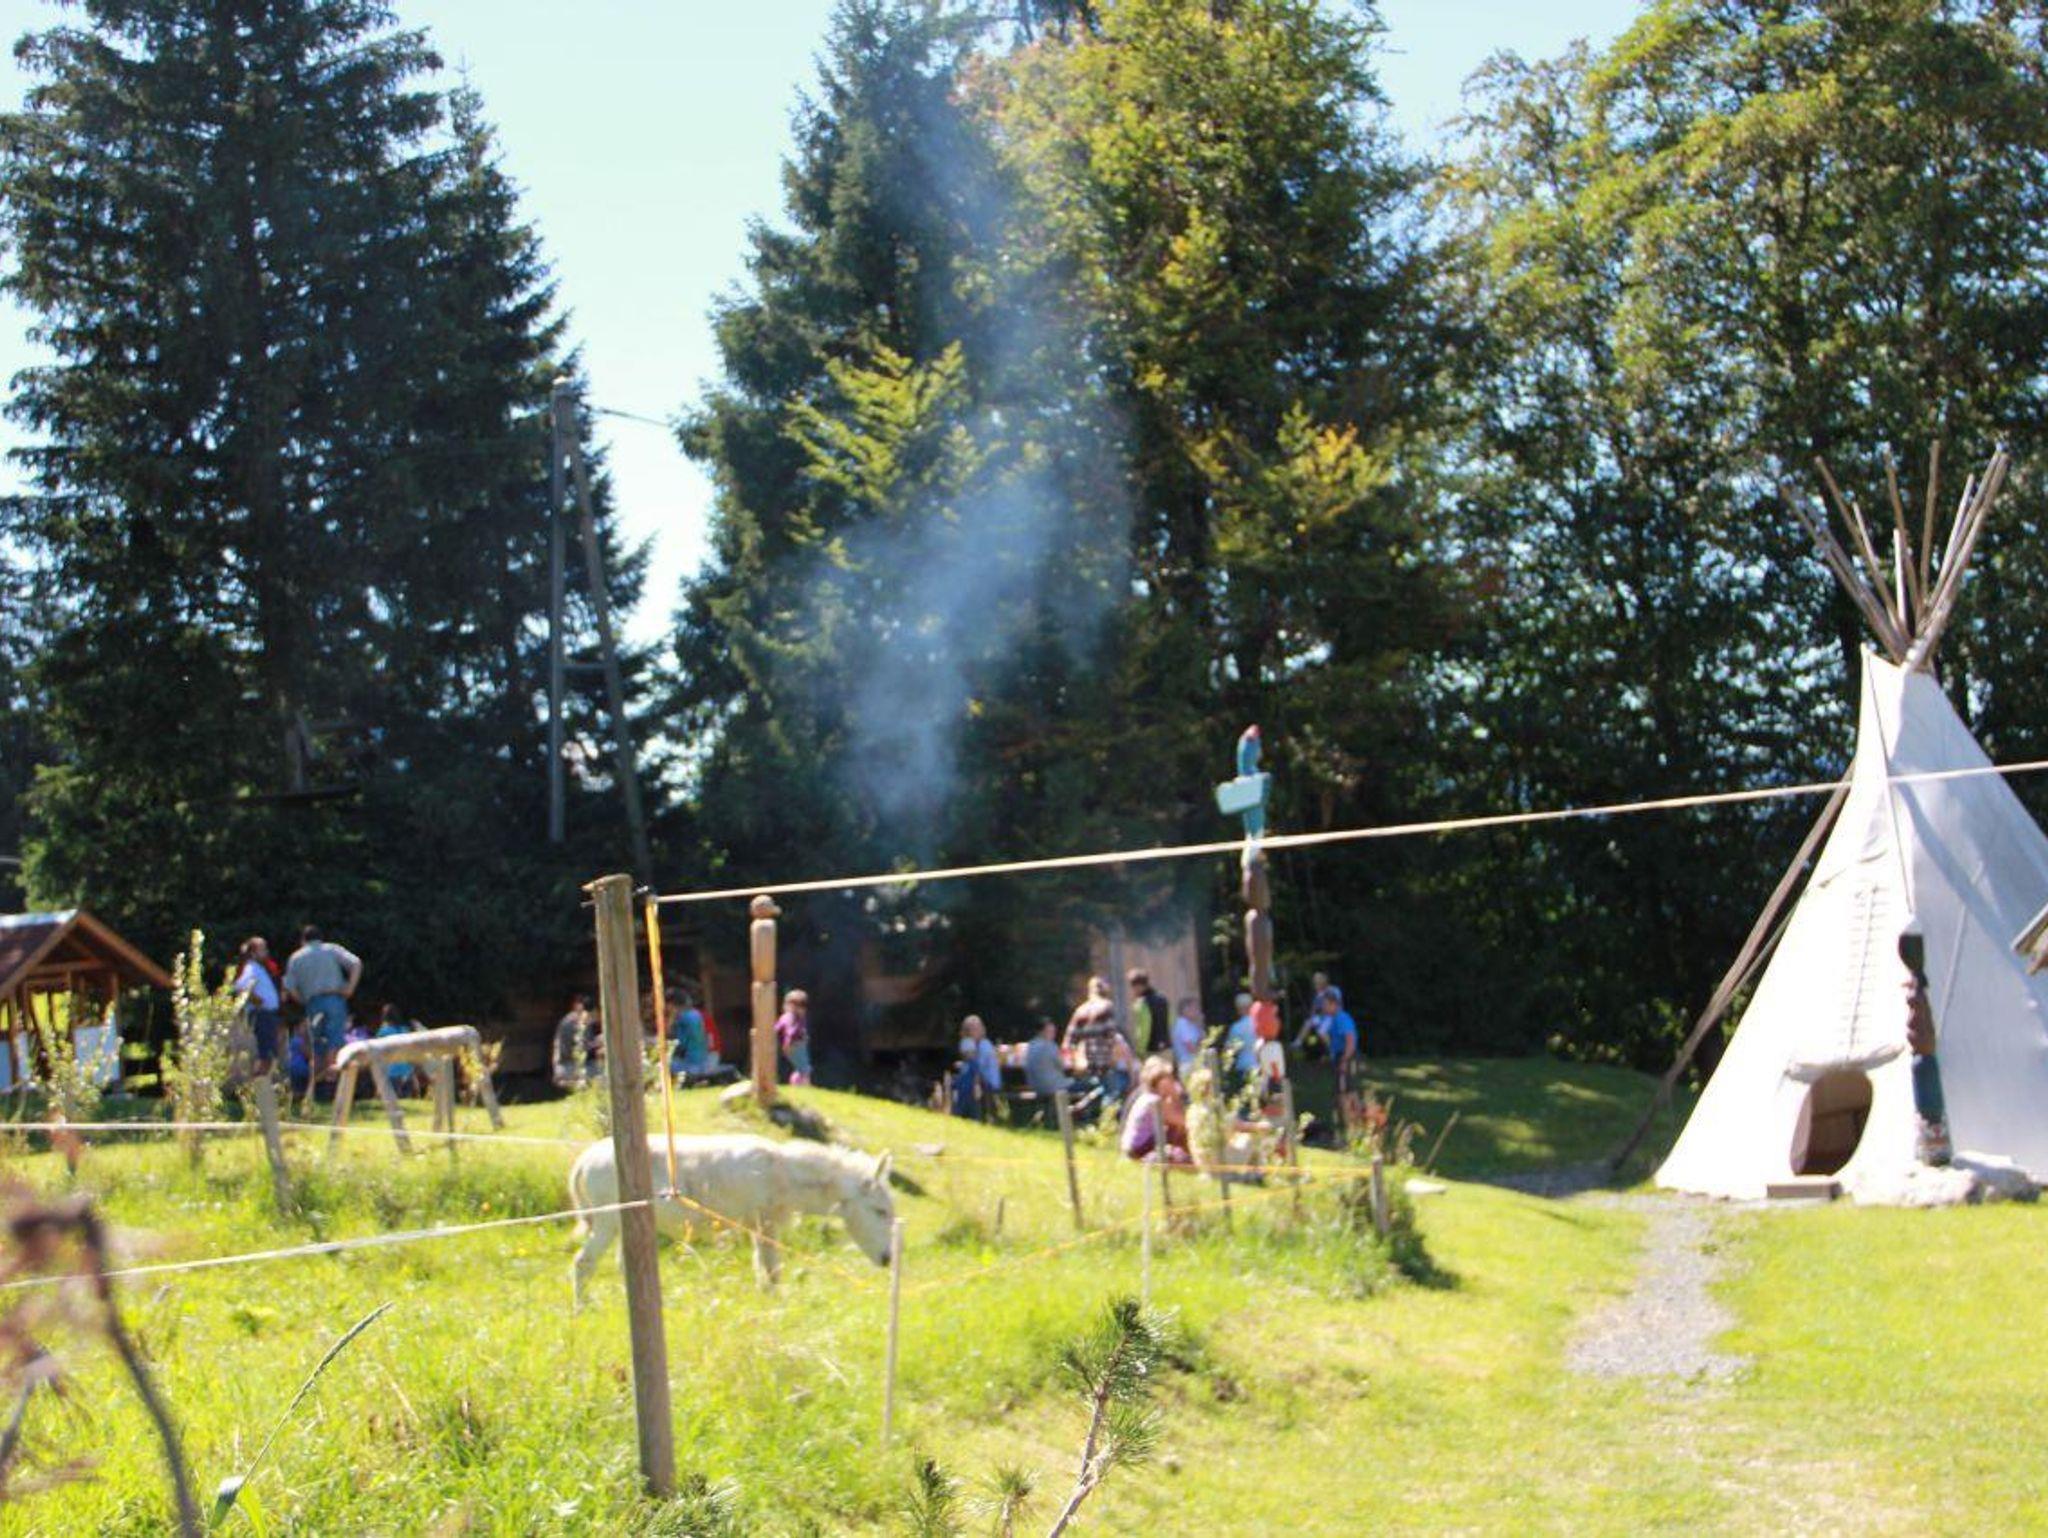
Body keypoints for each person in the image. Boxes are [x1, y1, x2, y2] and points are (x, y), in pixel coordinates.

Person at [283, 925, 362, 1088]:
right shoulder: (331, 949)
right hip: (335, 999)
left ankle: (316, 1085)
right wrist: (350, 988)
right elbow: (356, 963)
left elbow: (289, 986)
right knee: (334, 1042)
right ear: (320, 937)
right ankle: (331, 1083)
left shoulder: (296, 957)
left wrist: (302, 1000)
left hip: (313, 1002)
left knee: (316, 1045)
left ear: (303, 940)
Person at [1901, 932, 1952, 1167]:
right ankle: (1933, 1145)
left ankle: (1936, 1147)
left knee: (1931, 1108)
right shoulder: (1921, 1007)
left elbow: (1916, 1028)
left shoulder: (1919, 1007)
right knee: (1929, 1108)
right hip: (1923, 1058)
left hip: (1923, 1059)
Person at [1064, 977, 1129, 1108]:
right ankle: (1105, 1117)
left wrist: (1075, 1064)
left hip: (1088, 1066)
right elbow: (1112, 1037)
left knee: (1100, 1092)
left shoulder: (1081, 1011)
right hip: (1106, 1064)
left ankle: (1083, 1109)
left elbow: (1069, 1042)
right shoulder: (1106, 1007)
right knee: (1113, 1093)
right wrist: (1117, 1060)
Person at [1120, 1055, 1191, 1164]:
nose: (1172, 1083)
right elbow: (1181, 1122)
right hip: (1137, 1149)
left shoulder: (1147, 1097)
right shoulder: (1154, 1101)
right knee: (1177, 1128)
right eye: (1169, 1080)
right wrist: (1175, 1095)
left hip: (1132, 1147)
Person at [233, 936, 284, 1074]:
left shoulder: (259, 968)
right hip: (262, 1014)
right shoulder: (251, 968)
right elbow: (241, 988)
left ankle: (261, 1082)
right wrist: (259, 1002)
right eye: (263, 949)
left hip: (267, 1015)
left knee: (269, 1054)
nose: (266, 952)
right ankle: (258, 1083)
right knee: (266, 1055)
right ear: (253, 953)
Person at [1319, 987, 1361, 1132]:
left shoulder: (1342, 1018)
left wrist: (1344, 1060)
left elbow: (1350, 1040)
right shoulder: (1334, 1019)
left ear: (1333, 1004)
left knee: (1346, 1092)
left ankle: (1353, 1125)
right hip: (1340, 1056)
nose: (1323, 1008)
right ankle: (1350, 1123)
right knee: (1343, 1091)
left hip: (1346, 1056)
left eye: (1325, 1004)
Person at [669, 985, 723, 1082]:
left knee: (669, 1064)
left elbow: (681, 1043)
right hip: (711, 1059)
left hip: (699, 1063)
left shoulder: (684, 1018)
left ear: (673, 1005)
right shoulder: (699, 1014)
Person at [952, 1014, 1001, 1119]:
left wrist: (975, 1082)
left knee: (967, 1085)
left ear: (981, 1030)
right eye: (969, 1030)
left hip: (988, 1084)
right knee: (963, 1082)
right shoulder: (974, 1045)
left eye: (975, 1029)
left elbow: (979, 1069)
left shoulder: (984, 1045)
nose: (971, 1033)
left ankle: (967, 1114)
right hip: (981, 1081)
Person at [375, 1003, 421, 1097]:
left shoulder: (383, 1032)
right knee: (406, 1099)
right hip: (407, 1071)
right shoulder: (405, 1031)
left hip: (391, 1071)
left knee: (392, 1099)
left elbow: (378, 1052)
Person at [1024, 1018, 1074, 1100]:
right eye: (1050, 1032)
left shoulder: (1031, 1045)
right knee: (1090, 1084)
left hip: (1036, 1087)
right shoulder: (1050, 1045)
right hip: (1053, 1087)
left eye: (1053, 1032)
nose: (1053, 1035)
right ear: (1041, 1032)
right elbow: (1062, 1066)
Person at [554, 994, 594, 1090]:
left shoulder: (568, 1020)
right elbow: (580, 1049)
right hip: (570, 1066)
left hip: (564, 1066)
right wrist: (597, 1043)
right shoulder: (572, 1023)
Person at [1126, 969, 1169, 1057]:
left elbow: (1144, 1029)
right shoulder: (1163, 998)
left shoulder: (1141, 1003)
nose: (1132, 990)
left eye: (1132, 986)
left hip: (1150, 1052)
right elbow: (1171, 1022)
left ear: (1138, 986)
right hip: (1167, 1049)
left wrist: (1140, 1051)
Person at [775, 989, 812, 1085]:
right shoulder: (792, 1017)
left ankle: (797, 1083)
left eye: (804, 1005)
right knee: (805, 1069)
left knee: (801, 1068)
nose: (803, 1009)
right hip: (795, 1045)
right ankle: (803, 1086)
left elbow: (777, 1028)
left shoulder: (786, 1017)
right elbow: (791, 1031)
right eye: (801, 1005)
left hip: (795, 1045)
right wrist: (788, 1043)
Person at [1223, 991, 1259, 1085]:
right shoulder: (1260, 1024)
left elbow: (1229, 1049)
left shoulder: (1236, 1027)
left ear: (1239, 1009)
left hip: (1243, 1066)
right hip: (1260, 1065)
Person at [1169, 996, 1205, 1076]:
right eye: (1195, 1008)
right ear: (1185, 1010)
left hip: (1195, 1063)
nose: (1198, 1011)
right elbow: (1191, 1048)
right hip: (1188, 1065)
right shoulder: (1182, 1024)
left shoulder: (1192, 1024)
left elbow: (1202, 1041)